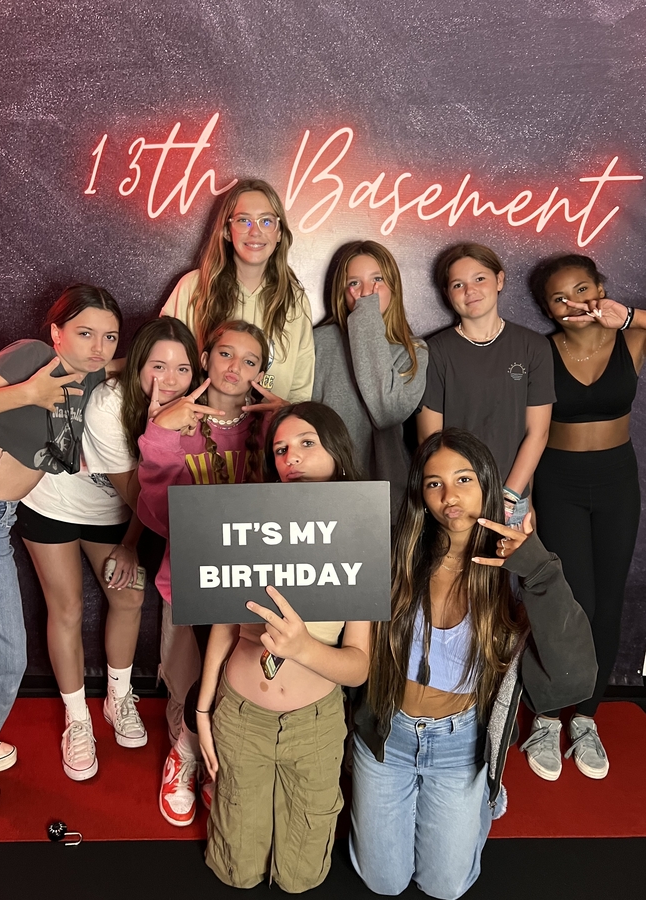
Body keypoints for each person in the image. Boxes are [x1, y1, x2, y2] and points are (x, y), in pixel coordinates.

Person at [350, 428, 597, 899]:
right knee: (384, 882)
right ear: (421, 495)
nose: (450, 496)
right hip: (388, 735)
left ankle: (482, 796)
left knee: (445, 887)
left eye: (463, 479)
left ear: (486, 483)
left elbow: (574, 678)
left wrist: (539, 570)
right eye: (435, 483)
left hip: (458, 744)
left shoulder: (513, 572)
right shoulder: (396, 557)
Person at [194, 401, 370, 891]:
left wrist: (303, 647)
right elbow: (225, 626)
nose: (291, 457)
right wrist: (203, 710)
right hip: (240, 715)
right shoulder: (251, 523)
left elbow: (358, 666)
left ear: (336, 451)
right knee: (237, 866)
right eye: (280, 449)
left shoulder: (361, 533)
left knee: (300, 874)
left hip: (315, 724)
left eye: (306, 444)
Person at [14, 316, 200, 781]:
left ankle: (118, 699)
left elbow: (149, 498)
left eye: (182, 369)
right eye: (158, 366)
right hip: (54, 501)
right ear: (137, 366)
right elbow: (142, 496)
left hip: (109, 512)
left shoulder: (193, 410)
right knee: (67, 607)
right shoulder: (109, 404)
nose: (170, 380)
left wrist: (131, 545)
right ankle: (77, 719)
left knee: (130, 595)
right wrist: (161, 431)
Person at [0, 284, 121, 812]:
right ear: (56, 333)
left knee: (0, 657)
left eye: (109, 337)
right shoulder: (32, 357)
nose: (97, 346)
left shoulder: (92, 377)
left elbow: (141, 365)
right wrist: (27, 394)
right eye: (85, 332)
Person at [137, 320, 285, 826]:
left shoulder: (269, 428)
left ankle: (212, 755)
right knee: (186, 675)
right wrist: (161, 434)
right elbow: (156, 514)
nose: (234, 367)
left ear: (261, 372)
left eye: (249, 360)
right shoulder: (176, 421)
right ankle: (184, 753)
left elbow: (302, 497)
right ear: (205, 359)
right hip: (187, 578)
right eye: (225, 353)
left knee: (232, 681)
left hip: (250, 584)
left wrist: (291, 420)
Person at [522, 253, 646, 781]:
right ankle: (548, 716)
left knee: (609, 601)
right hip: (559, 483)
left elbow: (633, 321)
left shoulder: (631, 338)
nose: (573, 303)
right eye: (559, 298)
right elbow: (530, 431)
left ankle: (587, 718)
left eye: (582, 290)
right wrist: (523, 497)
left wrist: (630, 315)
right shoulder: (540, 351)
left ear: (601, 288)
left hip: (618, 481)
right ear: (547, 308)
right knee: (571, 602)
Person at [418, 243, 555, 526]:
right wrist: (462, 494)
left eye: (479, 278)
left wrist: (510, 497)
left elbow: (538, 433)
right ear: (447, 293)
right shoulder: (435, 352)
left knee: (512, 556)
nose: (470, 290)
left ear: (499, 280)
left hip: (512, 496)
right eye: (458, 284)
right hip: (456, 500)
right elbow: (430, 439)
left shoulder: (534, 347)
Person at [161, 178, 314, 402]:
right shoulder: (193, 288)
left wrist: (284, 414)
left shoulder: (294, 300)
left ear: (279, 233)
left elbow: (300, 390)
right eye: (244, 220)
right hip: (198, 421)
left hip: (271, 425)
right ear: (226, 230)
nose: (255, 231)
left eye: (266, 221)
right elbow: (161, 363)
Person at [313, 240, 428, 513]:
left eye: (377, 280)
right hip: (324, 487)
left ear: (394, 286)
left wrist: (366, 317)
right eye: (354, 283)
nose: (366, 292)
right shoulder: (319, 341)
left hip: (386, 494)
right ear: (341, 291)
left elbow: (386, 412)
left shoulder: (413, 351)